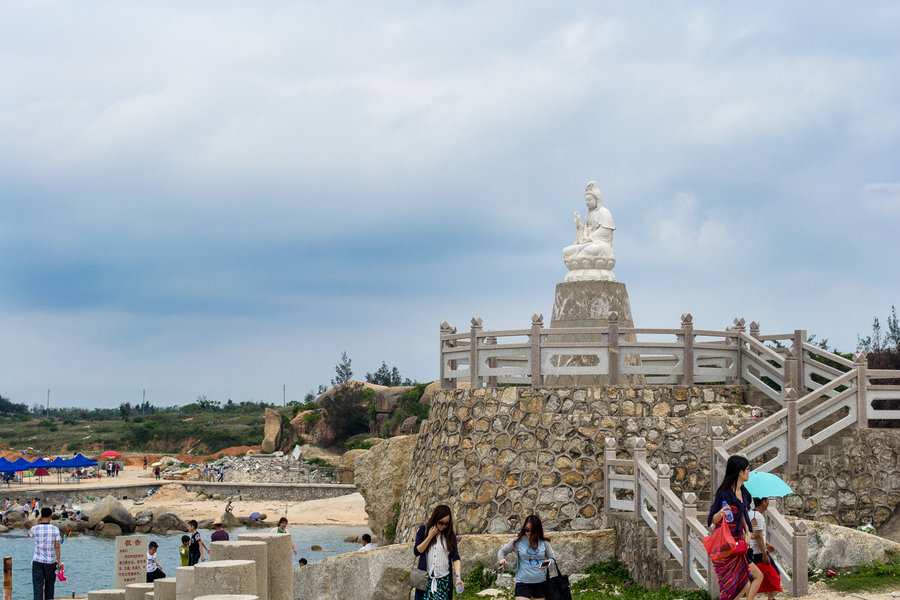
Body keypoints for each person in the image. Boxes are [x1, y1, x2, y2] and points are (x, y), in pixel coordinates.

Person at [707, 455, 762, 600]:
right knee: (729, 587)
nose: (749, 471)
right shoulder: (723, 493)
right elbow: (712, 519)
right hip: (725, 545)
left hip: (738, 544)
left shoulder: (744, 493)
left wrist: (748, 533)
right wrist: (720, 513)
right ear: (740, 472)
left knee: (744, 584)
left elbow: (743, 515)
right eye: (748, 469)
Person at [497, 515, 555, 600]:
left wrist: (549, 563)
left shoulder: (544, 542)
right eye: (527, 530)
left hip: (541, 582)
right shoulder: (517, 541)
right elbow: (502, 551)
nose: (528, 533)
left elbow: (552, 558)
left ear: (537, 530)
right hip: (522, 582)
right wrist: (501, 559)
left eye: (532, 531)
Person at [413, 505, 463, 600]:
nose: (443, 526)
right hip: (426, 582)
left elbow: (456, 558)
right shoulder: (423, 530)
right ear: (435, 519)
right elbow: (417, 551)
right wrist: (430, 536)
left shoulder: (450, 536)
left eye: (446, 523)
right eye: (441, 523)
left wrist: (458, 577)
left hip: (443, 582)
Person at [749, 497, 780, 599]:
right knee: (774, 574)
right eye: (767, 501)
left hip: (753, 550)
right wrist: (764, 553)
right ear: (763, 502)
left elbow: (759, 534)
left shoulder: (750, 514)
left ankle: (771, 597)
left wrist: (767, 544)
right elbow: (758, 536)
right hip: (757, 552)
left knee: (765, 575)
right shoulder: (758, 517)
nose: (768, 503)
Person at [29, 507, 62, 600]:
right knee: (50, 586)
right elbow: (57, 546)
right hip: (50, 561)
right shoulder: (55, 529)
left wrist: (38, 521)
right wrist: (58, 561)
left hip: (37, 560)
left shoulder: (35, 528)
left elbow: (29, 534)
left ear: (41, 516)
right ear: (50, 516)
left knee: (37, 586)